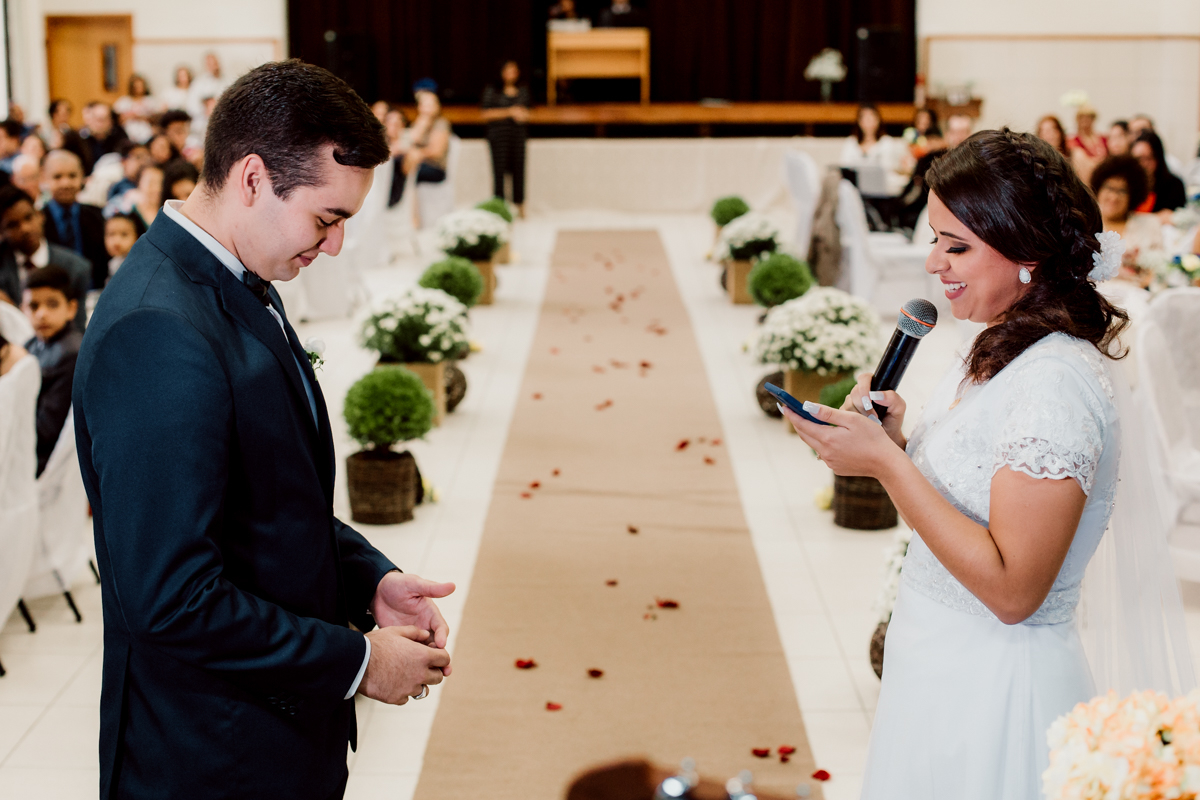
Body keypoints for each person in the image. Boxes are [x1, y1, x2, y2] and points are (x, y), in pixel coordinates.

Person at [73, 59, 454, 800]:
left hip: (273, 735)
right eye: (326, 218)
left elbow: (267, 494)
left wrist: (369, 578)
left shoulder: (239, 274)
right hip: (211, 757)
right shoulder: (157, 329)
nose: (334, 245)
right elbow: (172, 597)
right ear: (253, 178)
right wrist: (358, 662)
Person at [783, 128, 1192, 798]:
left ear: (1027, 251)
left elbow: (1013, 592)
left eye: (956, 246)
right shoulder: (1003, 343)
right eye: (934, 240)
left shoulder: (1055, 384)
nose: (933, 263)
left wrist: (888, 466)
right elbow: (973, 501)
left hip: (997, 689)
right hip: (937, 662)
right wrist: (897, 445)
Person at [0, 186, 90, 330]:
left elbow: (77, 329)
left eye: (28, 217)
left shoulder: (75, 268)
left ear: (40, 215)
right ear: (2, 232)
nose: (25, 229)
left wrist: (14, 310)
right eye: (12, 225)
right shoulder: (3, 267)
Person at [21, 265, 81, 475]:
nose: (42, 314)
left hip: (49, 462)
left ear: (71, 308)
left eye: (52, 304)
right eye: (33, 306)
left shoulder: (71, 353)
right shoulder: (30, 344)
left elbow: (47, 430)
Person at [41, 150, 109, 291]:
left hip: (94, 289)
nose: (66, 183)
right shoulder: (39, 218)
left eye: (72, 176)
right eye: (57, 177)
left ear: (82, 177)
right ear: (45, 179)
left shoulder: (96, 215)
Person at [1090, 154, 1162, 285]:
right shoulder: (1085, 223)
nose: (1113, 197)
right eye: (1109, 188)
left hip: (1136, 291)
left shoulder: (1149, 224)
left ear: (1133, 195)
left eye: (1122, 191)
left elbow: (1159, 268)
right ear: (1099, 188)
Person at [482, 60, 531, 217]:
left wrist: (522, 115)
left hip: (517, 136)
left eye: (514, 71)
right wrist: (509, 112)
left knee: (519, 171)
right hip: (499, 137)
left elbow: (528, 111)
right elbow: (486, 113)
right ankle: (499, 207)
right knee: (499, 172)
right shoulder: (492, 91)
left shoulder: (522, 91)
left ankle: (519, 205)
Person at [404, 81, 452, 226]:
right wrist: (423, 122)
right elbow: (411, 141)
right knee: (404, 170)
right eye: (424, 104)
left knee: (409, 173)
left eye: (430, 104)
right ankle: (404, 213)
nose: (427, 108)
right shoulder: (420, 122)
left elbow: (437, 152)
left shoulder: (441, 123)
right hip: (420, 165)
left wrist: (418, 154)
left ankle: (413, 217)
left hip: (436, 168)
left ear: (437, 106)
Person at [1131, 130, 1186, 215]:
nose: (1142, 164)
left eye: (1148, 158)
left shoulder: (1174, 186)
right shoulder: (1127, 185)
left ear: (1158, 159)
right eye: (1138, 159)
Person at [839, 103, 900, 172]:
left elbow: (889, 169)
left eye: (871, 117)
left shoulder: (886, 142)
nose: (868, 121)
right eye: (864, 118)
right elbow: (844, 168)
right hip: (855, 178)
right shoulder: (851, 142)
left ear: (878, 120)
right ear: (859, 121)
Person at [113, 74, 163, 144]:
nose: (139, 89)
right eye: (136, 86)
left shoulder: (151, 101)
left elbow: (157, 118)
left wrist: (140, 117)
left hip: (147, 134)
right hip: (127, 133)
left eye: (140, 86)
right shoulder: (124, 101)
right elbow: (118, 118)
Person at [79, 102, 128, 172]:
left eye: (103, 120)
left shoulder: (119, 137)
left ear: (111, 122)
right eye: (96, 119)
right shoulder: (81, 139)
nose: (99, 124)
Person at [1068, 103, 1107, 182]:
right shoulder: (1073, 141)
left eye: (1088, 118)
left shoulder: (1103, 139)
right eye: (1082, 118)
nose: (1085, 121)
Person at [103, 212, 142, 277]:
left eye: (124, 234)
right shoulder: (113, 263)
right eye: (111, 234)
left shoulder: (139, 266)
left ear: (137, 236)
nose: (116, 242)